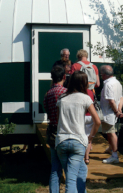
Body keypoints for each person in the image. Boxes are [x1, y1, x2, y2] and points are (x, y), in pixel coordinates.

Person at [55, 71, 101, 193]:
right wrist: (90, 137)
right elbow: (97, 121)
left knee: (81, 170)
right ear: (84, 83)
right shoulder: (85, 98)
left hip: (61, 141)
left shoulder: (62, 98)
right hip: (78, 141)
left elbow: (58, 118)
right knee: (71, 179)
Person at [43, 65, 67, 193]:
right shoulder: (66, 93)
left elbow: (47, 109)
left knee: (55, 168)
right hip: (64, 131)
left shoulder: (48, 93)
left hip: (52, 131)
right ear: (64, 77)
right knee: (69, 168)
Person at [100, 65, 123, 164]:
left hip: (109, 113)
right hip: (112, 113)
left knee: (111, 133)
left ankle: (114, 156)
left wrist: (117, 111)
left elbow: (111, 100)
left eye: (101, 74)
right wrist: (119, 110)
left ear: (104, 75)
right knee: (109, 132)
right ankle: (111, 148)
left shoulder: (108, 84)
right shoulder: (117, 82)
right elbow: (121, 98)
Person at [84, 89, 95, 165]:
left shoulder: (77, 91)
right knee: (88, 138)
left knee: (80, 136)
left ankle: (80, 156)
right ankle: (87, 158)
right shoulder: (90, 92)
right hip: (90, 116)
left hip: (81, 116)